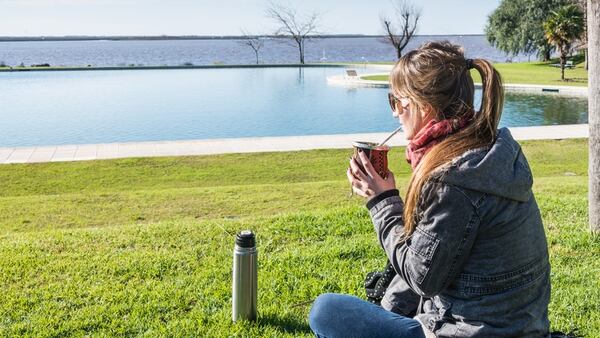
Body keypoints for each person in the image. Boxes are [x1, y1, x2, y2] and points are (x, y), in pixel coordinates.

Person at [308, 41, 551, 337]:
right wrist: (386, 312)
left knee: (327, 311)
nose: (395, 112)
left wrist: (382, 201)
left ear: (423, 106)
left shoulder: (451, 179)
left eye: (397, 101)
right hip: (521, 328)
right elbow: (430, 258)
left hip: (470, 332)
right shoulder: (486, 155)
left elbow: (421, 276)